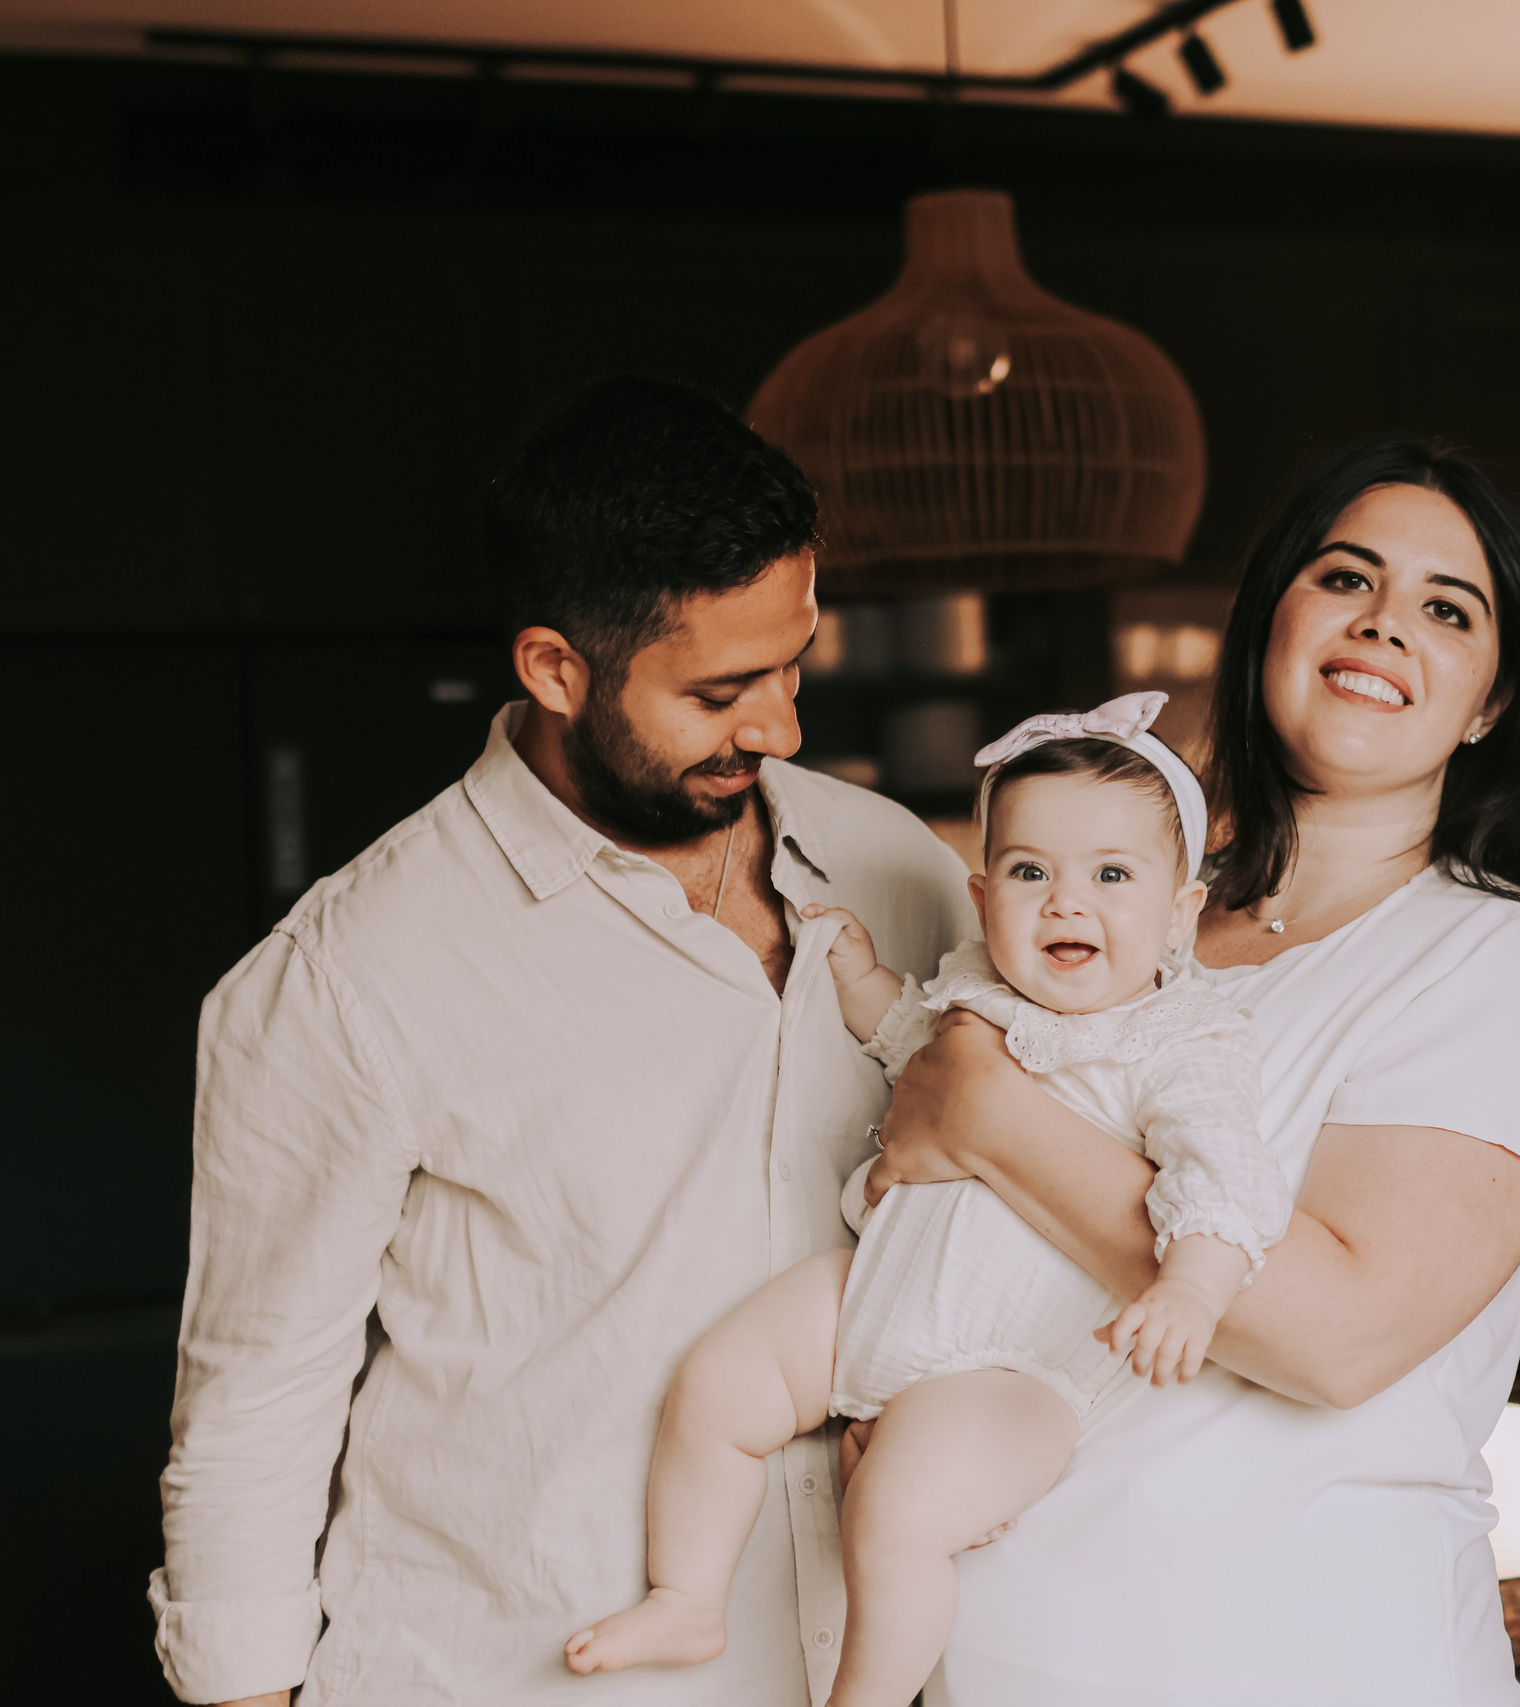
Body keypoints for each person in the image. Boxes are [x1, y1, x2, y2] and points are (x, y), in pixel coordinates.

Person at [150, 375, 977, 1707]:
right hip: (522, 1668)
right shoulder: (351, 972)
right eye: (722, 690)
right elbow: (255, 1401)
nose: (781, 727)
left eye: (794, 661)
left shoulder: (899, 870)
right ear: (554, 667)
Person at [866, 440, 1520, 1706]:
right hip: (1002, 1665)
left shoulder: (1501, 961)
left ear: (1491, 704)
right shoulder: (1117, 929)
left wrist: (985, 1113)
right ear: (1267, 630)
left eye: (1445, 609)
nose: (1383, 623)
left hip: (1299, 1662)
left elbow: (1337, 1334)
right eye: (1345, 578)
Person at [563, 692, 1289, 1707]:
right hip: (876, 1291)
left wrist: (1194, 1291)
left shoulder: (1178, 1043)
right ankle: (686, 1596)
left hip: (1017, 1369)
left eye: (1111, 876)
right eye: (1031, 872)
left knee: (895, 1516)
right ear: (984, 893)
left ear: (1179, 911)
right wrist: (864, 982)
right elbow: (910, 1044)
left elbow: (1227, 1176)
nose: (1065, 903)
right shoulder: (978, 993)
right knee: (717, 1382)